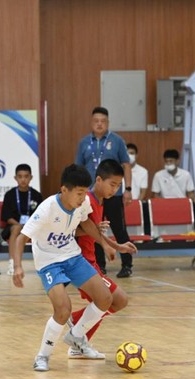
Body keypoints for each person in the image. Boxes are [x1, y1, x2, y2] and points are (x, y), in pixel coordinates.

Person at [11, 164, 116, 371]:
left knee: (105, 298)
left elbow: (86, 223)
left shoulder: (83, 202)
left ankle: (76, 335)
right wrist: (17, 267)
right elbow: (21, 238)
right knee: (62, 309)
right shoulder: (47, 208)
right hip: (49, 262)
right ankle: (42, 356)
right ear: (64, 190)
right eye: (79, 193)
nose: (83, 198)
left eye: (85, 192)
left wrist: (105, 244)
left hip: (72, 256)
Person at [71, 160, 137, 360]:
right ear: (98, 180)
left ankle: (77, 339)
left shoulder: (99, 202)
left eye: (118, 186)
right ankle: (76, 330)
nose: (115, 190)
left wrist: (117, 246)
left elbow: (94, 232)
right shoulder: (86, 201)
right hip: (81, 262)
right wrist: (107, 245)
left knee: (108, 303)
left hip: (90, 261)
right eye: (112, 184)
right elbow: (73, 230)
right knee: (114, 300)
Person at [74, 107, 133, 278]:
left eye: (103, 121)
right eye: (96, 121)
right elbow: (78, 167)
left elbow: (126, 165)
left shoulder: (117, 140)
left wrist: (128, 189)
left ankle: (127, 264)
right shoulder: (84, 142)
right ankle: (99, 265)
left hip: (114, 194)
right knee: (94, 229)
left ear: (108, 123)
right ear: (91, 122)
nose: (99, 124)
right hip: (91, 195)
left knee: (119, 228)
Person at [1, 163, 44, 276]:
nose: (23, 180)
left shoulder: (37, 195)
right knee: (16, 228)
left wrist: (28, 225)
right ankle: (13, 263)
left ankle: (44, 265)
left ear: (31, 177)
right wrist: (20, 225)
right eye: (20, 177)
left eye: (26, 176)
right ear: (15, 178)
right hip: (13, 227)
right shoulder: (9, 195)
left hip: (32, 227)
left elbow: (41, 215)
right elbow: (6, 216)